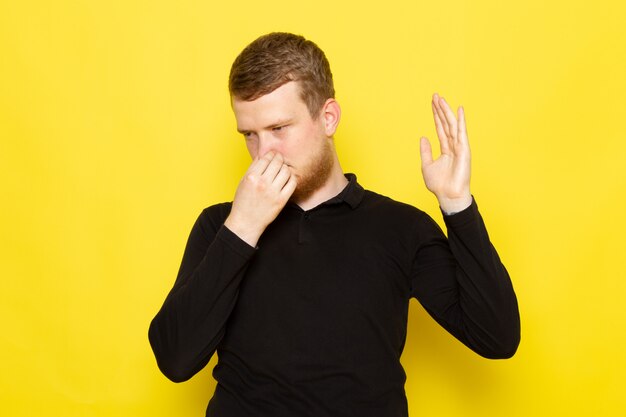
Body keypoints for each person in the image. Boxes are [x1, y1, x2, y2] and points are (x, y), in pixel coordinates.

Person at [148, 32, 520, 417]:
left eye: (278, 129)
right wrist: (243, 227)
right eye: (250, 136)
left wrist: (457, 204)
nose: (263, 154)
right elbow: (175, 361)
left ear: (327, 118)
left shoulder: (401, 228)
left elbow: (497, 337)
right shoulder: (220, 227)